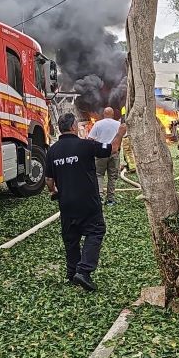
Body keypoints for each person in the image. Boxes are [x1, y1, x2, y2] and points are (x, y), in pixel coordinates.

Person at [46, 113, 126, 291]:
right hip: (88, 201)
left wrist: (53, 191)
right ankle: (83, 271)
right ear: (73, 127)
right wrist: (120, 132)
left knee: (71, 237)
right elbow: (113, 148)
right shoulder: (86, 145)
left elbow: (49, 180)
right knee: (96, 230)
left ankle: (72, 272)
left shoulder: (52, 150)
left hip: (66, 203)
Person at [87, 107, 121, 205]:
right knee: (112, 176)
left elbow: (90, 139)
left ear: (103, 114)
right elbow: (122, 136)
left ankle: (100, 197)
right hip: (114, 152)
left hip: (100, 153)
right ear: (113, 114)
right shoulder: (118, 124)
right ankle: (110, 199)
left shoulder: (98, 124)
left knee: (99, 175)